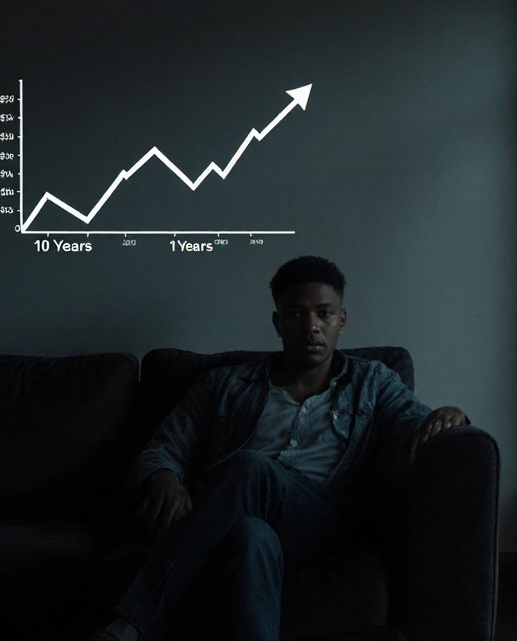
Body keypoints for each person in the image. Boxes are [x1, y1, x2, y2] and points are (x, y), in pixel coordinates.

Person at [94, 256, 468, 641]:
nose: (311, 326)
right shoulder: (225, 385)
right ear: (277, 323)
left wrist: (450, 415)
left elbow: (415, 422)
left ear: (341, 320)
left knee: (251, 467)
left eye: (324, 314)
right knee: (251, 536)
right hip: (232, 517)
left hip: (321, 521)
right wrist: (165, 481)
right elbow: (161, 449)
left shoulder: (372, 380)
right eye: (295, 314)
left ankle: (128, 627)